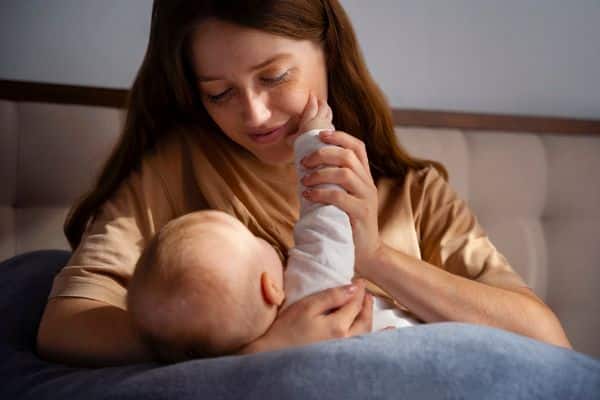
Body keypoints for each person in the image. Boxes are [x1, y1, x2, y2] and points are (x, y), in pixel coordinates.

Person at [37, 0, 573, 369]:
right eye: (219, 93)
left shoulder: (415, 191)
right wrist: (261, 347)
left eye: (274, 77)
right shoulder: (175, 167)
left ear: (328, 53)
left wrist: (375, 255)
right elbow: (66, 325)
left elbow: (547, 343)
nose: (254, 114)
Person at [127, 97, 417, 363]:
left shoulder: (232, 358)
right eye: (252, 238)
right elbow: (325, 217)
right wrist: (315, 138)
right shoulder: (309, 295)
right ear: (271, 288)